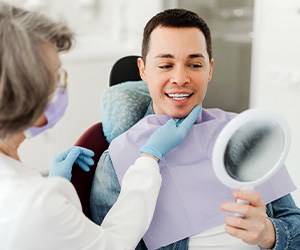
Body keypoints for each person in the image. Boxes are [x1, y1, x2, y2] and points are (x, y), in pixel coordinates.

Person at [90, 8, 300, 250]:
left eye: (194, 64)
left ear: (209, 69)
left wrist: (269, 234)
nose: (180, 78)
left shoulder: (245, 136)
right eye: (166, 65)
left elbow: (293, 222)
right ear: (144, 70)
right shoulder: (118, 161)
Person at [0, 3, 201, 249]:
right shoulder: (36, 203)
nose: (180, 78)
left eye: (194, 64)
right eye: (57, 78)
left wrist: (55, 184)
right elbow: (112, 245)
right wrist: (150, 157)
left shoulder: (31, 194)